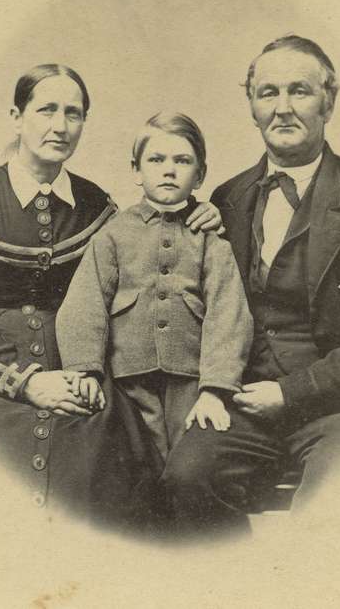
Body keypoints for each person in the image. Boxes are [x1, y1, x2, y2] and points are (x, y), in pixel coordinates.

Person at [0, 65, 223, 532]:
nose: (60, 126)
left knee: (110, 446)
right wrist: (26, 383)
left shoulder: (96, 206)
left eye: (74, 113)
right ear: (16, 116)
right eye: (46, 110)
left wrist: (194, 215)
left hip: (82, 363)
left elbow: (151, 269)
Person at [162, 35, 340, 536]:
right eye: (267, 93)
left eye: (299, 91)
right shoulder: (226, 199)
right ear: (252, 107)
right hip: (242, 404)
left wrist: (289, 392)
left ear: (330, 100)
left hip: (338, 408)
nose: (282, 109)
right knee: (185, 479)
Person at [56, 112, 253, 462]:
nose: (169, 170)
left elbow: (228, 312)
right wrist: (84, 369)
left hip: (192, 379)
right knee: (135, 461)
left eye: (182, 160)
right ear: (136, 170)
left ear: (200, 175)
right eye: (156, 160)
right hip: (127, 379)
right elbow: (85, 302)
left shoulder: (209, 238)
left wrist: (215, 389)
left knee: (189, 460)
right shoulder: (114, 233)